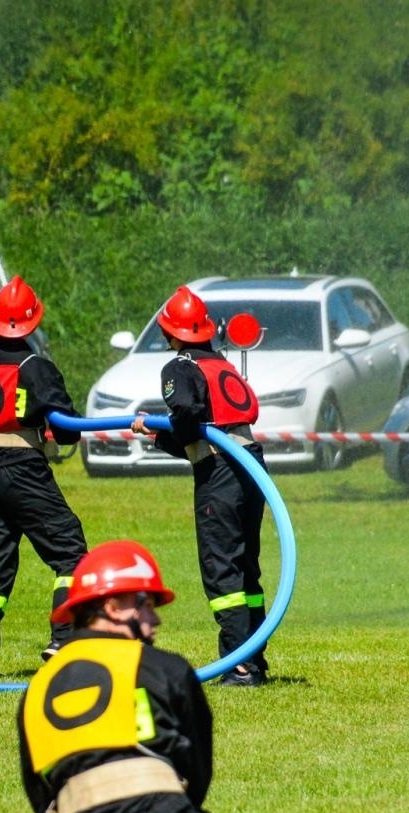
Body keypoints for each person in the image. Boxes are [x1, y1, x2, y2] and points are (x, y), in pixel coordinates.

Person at [17, 539, 268, 813]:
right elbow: (199, 765)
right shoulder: (167, 668)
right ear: (113, 606)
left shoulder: (36, 691)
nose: (155, 621)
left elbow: (40, 796)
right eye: (147, 606)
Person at [133, 285, 270, 686]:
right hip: (251, 465)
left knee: (221, 568)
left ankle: (239, 664)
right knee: (246, 567)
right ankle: (253, 658)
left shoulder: (180, 367)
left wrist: (155, 425)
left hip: (221, 474)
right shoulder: (222, 365)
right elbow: (205, 430)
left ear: (172, 334)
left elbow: (190, 417)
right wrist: (160, 436)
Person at [0, 275, 88, 680]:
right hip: (24, 470)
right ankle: (63, 639)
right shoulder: (35, 366)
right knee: (70, 553)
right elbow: (68, 428)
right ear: (34, 321)